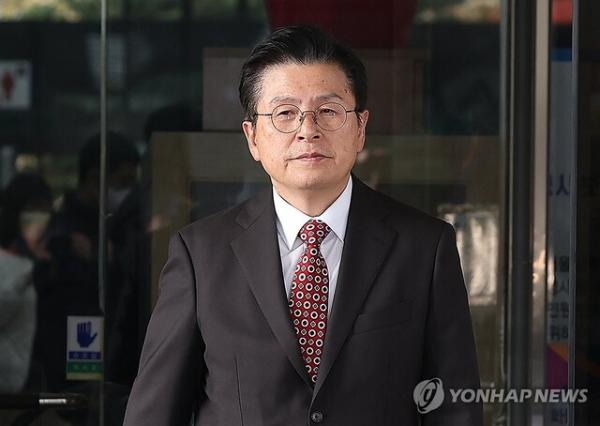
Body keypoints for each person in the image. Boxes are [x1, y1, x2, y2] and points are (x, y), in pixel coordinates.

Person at [124, 25, 482, 425]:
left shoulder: (425, 248)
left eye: (328, 111)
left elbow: (455, 410)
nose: (308, 130)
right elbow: (153, 414)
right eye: (285, 113)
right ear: (253, 137)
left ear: (360, 128)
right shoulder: (200, 256)